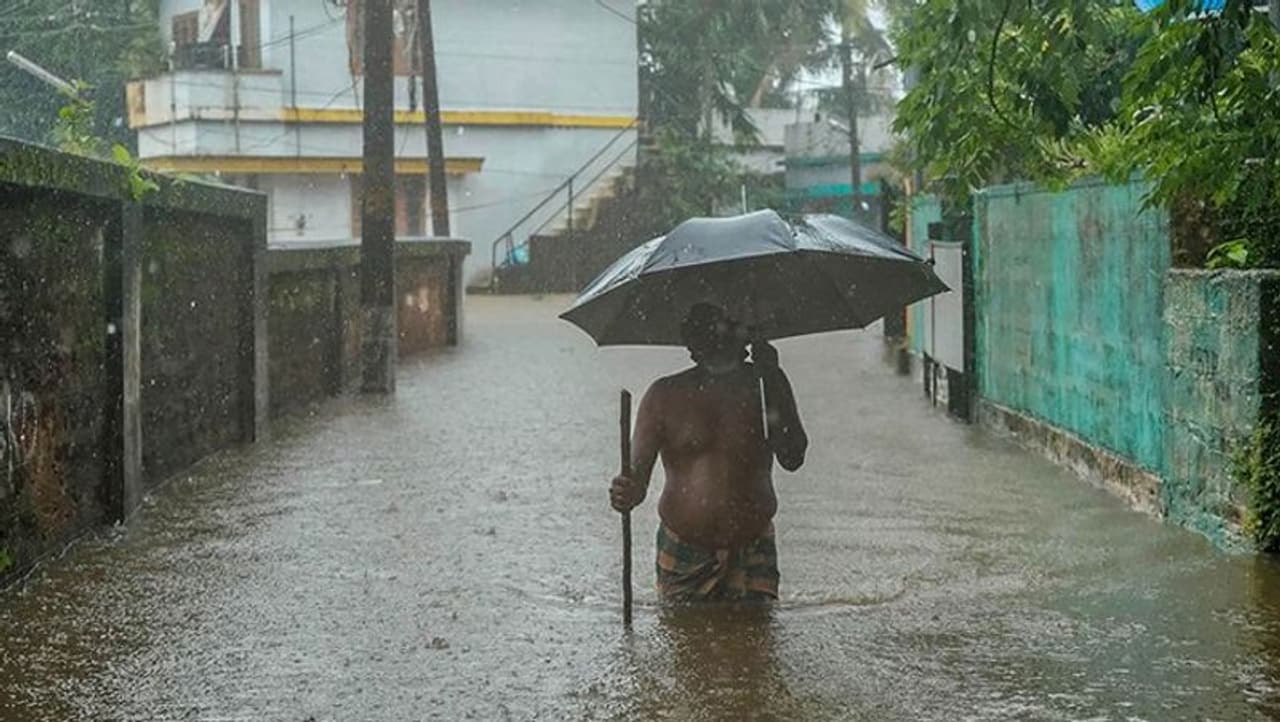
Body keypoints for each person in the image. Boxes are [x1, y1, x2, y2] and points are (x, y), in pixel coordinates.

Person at [609, 303, 808, 603]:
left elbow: (793, 457)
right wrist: (624, 492)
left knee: (757, 632)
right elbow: (636, 482)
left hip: (753, 549)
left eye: (715, 329)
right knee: (681, 631)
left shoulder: (764, 386)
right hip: (683, 551)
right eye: (696, 330)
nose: (702, 340)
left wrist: (772, 377)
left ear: (741, 337)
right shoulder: (664, 395)